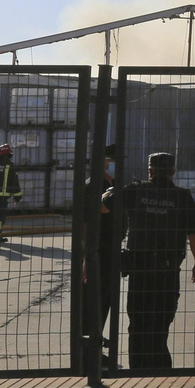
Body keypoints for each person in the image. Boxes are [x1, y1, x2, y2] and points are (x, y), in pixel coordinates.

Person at [102, 152, 195, 370]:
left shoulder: (135, 191)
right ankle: (160, 371)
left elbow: (103, 207)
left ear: (150, 171)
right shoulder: (181, 196)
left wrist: (109, 192)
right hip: (167, 271)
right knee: (160, 324)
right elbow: (194, 234)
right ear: (172, 172)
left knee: (138, 323)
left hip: (139, 270)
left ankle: (137, 370)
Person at [85, 145, 124, 369]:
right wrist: (87, 255)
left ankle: (95, 352)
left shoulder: (109, 184)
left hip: (109, 249)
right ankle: (91, 356)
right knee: (96, 303)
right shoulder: (95, 185)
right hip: (99, 250)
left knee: (105, 301)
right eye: (112, 159)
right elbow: (87, 222)